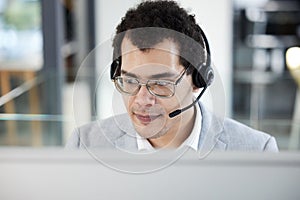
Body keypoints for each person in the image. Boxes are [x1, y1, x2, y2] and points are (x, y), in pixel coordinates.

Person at [66, 0, 278, 152]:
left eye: (160, 83)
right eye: (130, 81)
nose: (142, 100)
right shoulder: (84, 145)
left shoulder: (258, 150)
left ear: (197, 79)